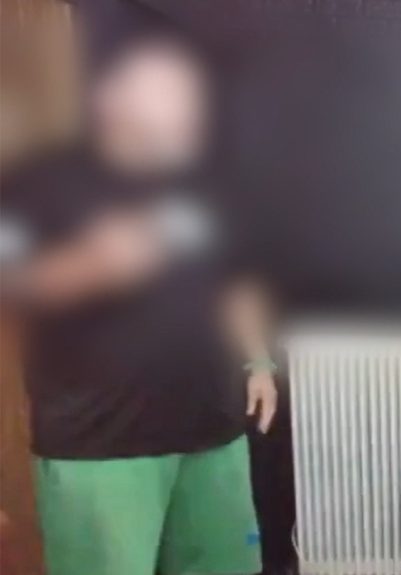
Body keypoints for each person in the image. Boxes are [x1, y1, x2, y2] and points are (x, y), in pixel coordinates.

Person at [0, 24, 275, 575]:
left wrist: (259, 361)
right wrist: (94, 264)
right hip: (102, 443)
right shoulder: (39, 181)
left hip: (211, 428)